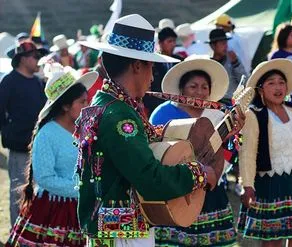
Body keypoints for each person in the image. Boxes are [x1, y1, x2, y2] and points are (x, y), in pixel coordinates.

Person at [75, 14, 224, 246]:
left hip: (114, 228)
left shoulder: (106, 103)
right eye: (151, 68)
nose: (153, 77)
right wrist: (200, 173)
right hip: (121, 233)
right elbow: (150, 178)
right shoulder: (119, 115)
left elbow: (142, 146)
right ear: (137, 66)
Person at [6, 63, 98, 247]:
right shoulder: (47, 135)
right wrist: (81, 189)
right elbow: (45, 178)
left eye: (87, 101)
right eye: (82, 102)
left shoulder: (85, 129)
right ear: (65, 106)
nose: (87, 106)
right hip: (56, 210)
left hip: (87, 208)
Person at [150, 56, 238, 246]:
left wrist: (235, 134)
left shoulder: (217, 115)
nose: (199, 92)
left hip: (210, 191)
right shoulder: (162, 114)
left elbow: (227, 153)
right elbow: (156, 155)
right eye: (193, 86)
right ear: (181, 89)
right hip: (175, 194)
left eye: (204, 87)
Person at [237, 59, 292, 247]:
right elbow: (247, 152)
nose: (278, 87)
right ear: (260, 90)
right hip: (270, 184)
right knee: (273, 240)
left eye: (281, 82)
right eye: (271, 83)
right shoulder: (254, 115)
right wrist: (247, 185)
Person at [0, 40, 47, 226]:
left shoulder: (37, 83)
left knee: (37, 194)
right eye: (35, 56)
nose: (38, 60)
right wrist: (10, 131)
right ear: (22, 59)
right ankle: (16, 235)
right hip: (19, 148)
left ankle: (31, 235)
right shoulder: (9, 81)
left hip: (38, 148)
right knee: (18, 194)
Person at [143, 27, 183, 115]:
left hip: (177, 106)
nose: (173, 44)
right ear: (160, 43)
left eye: (174, 41)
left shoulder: (180, 61)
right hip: (154, 106)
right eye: (169, 41)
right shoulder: (152, 62)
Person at [208, 28, 247, 106]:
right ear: (213, 46)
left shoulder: (233, 58)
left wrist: (236, 63)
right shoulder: (208, 64)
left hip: (233, 102)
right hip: (215, 103)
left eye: (226, 43)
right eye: (222, 43)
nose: (226, 46)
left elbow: (244, 81)